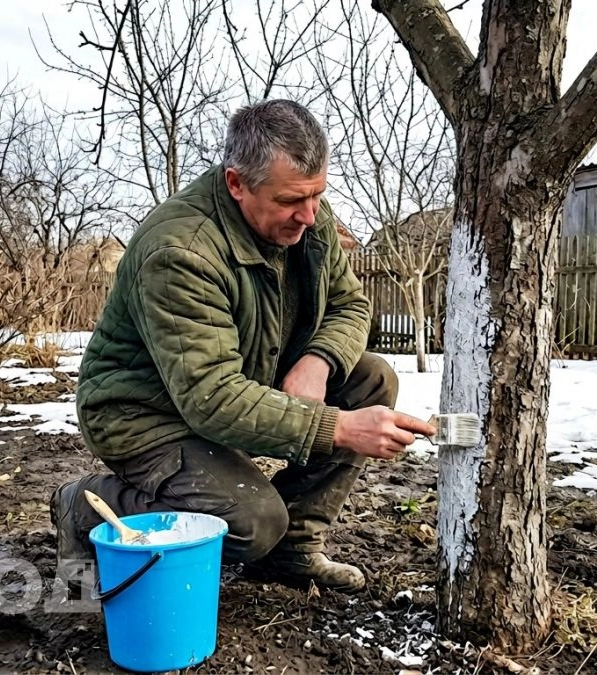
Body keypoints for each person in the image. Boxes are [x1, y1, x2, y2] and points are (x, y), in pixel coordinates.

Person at [51, 99, 435, 593]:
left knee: (370, 378)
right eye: (290, 201)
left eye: (317, 195)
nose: (309, 216)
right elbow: (211, 395)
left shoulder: (306, 214)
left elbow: (351, 305)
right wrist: (337, 427)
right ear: (236, 183)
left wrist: (318, 362)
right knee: (251, 522)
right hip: (144, 412)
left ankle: (291, 551)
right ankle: (85, 505)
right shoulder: (181, 252)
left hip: (237, 381)